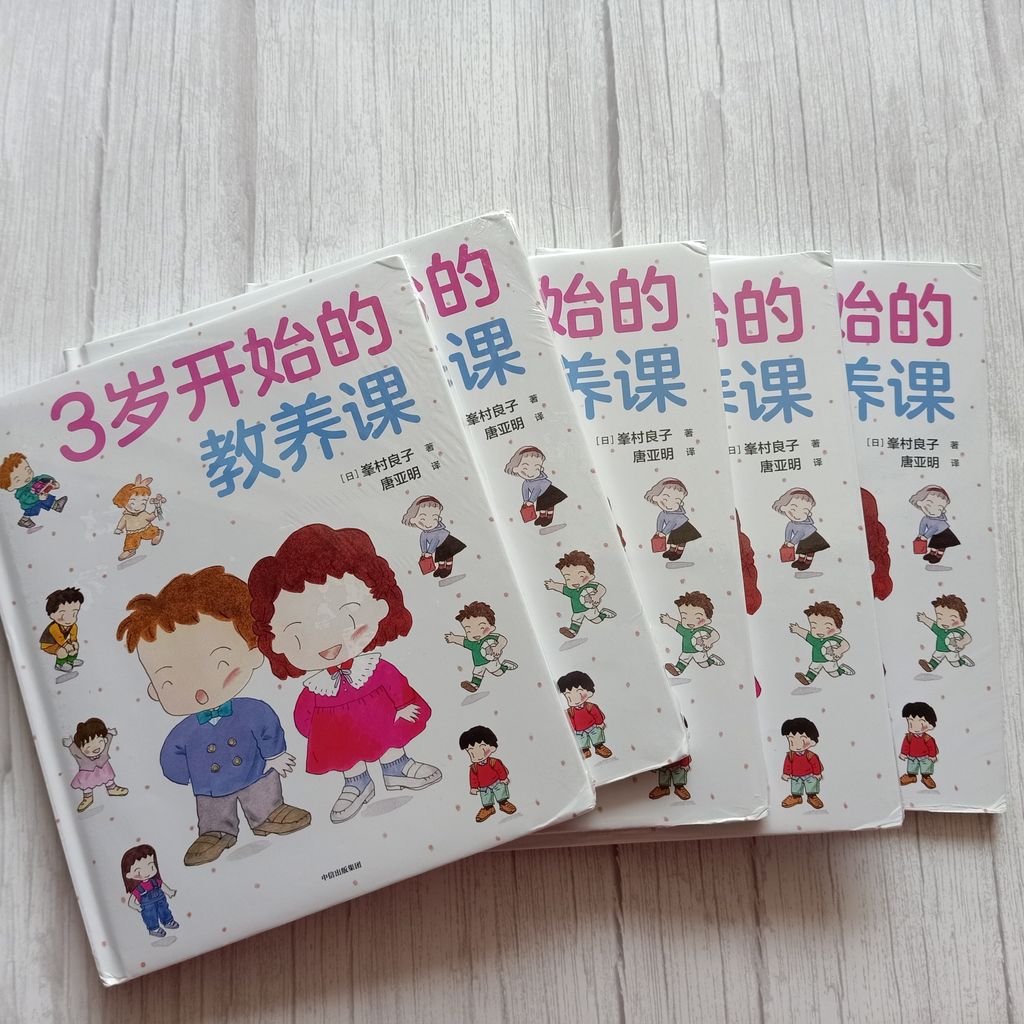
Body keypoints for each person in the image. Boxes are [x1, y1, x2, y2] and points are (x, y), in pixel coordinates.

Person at [118, 566, 311, 866]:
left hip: (255, 771)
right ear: (154, 690)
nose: (199, 688)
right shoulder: (184, 732)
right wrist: (187, 775)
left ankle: (270, 813)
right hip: (210, 784)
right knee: (212, 809)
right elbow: (172, 758)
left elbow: (268, 727)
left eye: (220, 662)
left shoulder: (252, 709)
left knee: (262, 791)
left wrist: (274, 755)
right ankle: (215, 832)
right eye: (169, 680)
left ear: (253, 651)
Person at [249, 525, 442, 824]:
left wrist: (404, 707)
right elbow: (303, 718)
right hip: (342, 737)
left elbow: (397, 686)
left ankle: (397, 767)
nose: (327, 636)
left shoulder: (373, 668)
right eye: (298, 633)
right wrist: (321, 734)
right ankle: (356, 783)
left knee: (389, 739)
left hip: (382, 722)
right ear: (277, 642)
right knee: (346, 756)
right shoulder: (317, 687)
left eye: (348, 614)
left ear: (379, 605)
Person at [444, 601, 518, 693]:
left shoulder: (491, 638)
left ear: (491, 628)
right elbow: (462, 640)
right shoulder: (472, 643)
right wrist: (453, 638)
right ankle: (474, 686)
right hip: (478, 663)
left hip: (491, 661)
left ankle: (505, 665)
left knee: (498, 673)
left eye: (481, 628)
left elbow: (503, 640)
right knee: (476, 675)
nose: (475, 633)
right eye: (468, 630)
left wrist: (498, 647)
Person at [63, 718, 128, 812]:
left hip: (103, 768)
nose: (95, 747)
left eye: (99, 741)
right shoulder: (82, 756)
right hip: (88, 773)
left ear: (104, 740)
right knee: (87, 784)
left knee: (108, 777)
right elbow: (76, 752)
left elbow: (108, 742)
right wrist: (70, 744)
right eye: (88, 746)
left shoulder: (104, 749)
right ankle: (87, 797)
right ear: (81, 748)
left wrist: (110, 734)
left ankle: (112, 788)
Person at [459, 725, 517, 822]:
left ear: (492, 747)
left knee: (501, 794)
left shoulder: (493, 762)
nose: (476, 754)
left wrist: (503, 778)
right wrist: (473, 787)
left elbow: (500, 770)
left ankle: (503, 803)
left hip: (497, 782)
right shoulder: (474, 767)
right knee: (486, 799)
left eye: (481, 749)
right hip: (483, 787)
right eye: (471, 752)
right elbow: (473, 778)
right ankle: (488, 808)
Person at [401, 495, 466, 579]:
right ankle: (441, 568)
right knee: (441, 558)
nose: (429, 523)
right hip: (439, 546)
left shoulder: (436, 533)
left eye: (434, 518)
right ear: (412, 519)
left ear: (438, 519)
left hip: (447, 542)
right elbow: (423, 542)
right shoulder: (424, 534)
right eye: (423, 519)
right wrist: (424, 552)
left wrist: (429, 552)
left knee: (448, 557)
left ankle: (448, 569)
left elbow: (434, 542)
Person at [121, 844, 179, 938]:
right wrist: (136, 906)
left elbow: (162, 885)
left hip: (161, 901)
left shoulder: (155, 881)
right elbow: (131, 902)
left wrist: (169, 892)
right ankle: (154, 929)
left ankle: (168, 921)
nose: (146, 872)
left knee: (164, 909)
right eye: (139, 871)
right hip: (147, 906)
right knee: (150, 915)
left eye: (151, 867)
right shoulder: (138, 889)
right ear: (128, 875)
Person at [557, 671, 612, 759]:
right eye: (568, 695)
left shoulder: (590, 706)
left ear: (589, 692)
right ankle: (585, 750)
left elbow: (597, 715)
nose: (574, 698)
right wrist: (573, 730)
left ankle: (599, 747)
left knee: (597, 735)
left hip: (593, 726)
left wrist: (600, 723)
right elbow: (571, 721)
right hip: (579, 731)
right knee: (582, 740)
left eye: (579, 693)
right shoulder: (570, 711)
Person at [773, 487, 830, 572]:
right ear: (783, 507)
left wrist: (792, 543)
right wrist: (787, 541)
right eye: (793, 508)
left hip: (811, 537)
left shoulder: (803, 526)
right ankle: (800, 561)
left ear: (808, 513)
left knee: (809, 551)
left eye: (804, 511)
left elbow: (799, 534)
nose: (798, 514)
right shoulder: (790, 524)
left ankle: (807, 563)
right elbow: (788, 531)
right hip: (803, 538)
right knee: (802, 550)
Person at [780, 718, 824, 809]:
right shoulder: (790, 755)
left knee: (811, 786)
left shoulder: (810, 755)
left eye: (802, 741)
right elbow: (787, 765)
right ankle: (796, 797)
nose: (796, 745)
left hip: (810, 775)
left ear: (812, 741)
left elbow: (816, 764)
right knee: (796, 787)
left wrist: (817, 773)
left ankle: (812, 797)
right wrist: (786, 773)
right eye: (791, 741)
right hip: (795, 776)